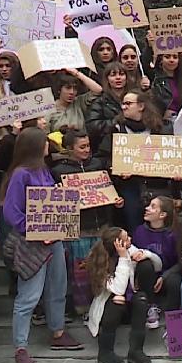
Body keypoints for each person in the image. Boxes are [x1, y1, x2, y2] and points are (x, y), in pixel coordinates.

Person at [1, 127, 84, 363]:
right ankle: (21, 347)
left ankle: (58, 333)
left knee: (57, 287)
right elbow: (11, 211)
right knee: (29, 296)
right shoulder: (21, 174)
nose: (49, 146)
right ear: (36, 146)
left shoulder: (43, 170)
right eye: (45, 142)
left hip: (54, 240)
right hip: (32, 243)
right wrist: (35, 231)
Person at [51, 129, 125, 318]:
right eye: (82, 147)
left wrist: (117, 201)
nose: (87, 150)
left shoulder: (98, 164)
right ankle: (83, 310)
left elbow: (109, 190)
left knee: (105, 269)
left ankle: (105, 307)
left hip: (102, 227)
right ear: (69, 148)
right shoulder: (58, 171)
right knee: (81, 273)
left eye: (88, 146)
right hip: (79, 230)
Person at [95, 90, 175, 232]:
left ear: (141, 106)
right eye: (123, 104)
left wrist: (175, 173)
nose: (124, 107)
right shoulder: (116, 130)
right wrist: (116, 169)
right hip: (130, 189)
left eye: (128, 103)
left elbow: (172, 157)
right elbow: (103, 159)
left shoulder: (160, 129)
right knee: (135, 229)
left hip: (157, 188)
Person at [85, 227, 158, 363]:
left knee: (141, 299)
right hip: (109, 310)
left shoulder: (129, 249)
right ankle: (105, 352)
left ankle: (136, 351)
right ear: (118, 245)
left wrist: (144, 253)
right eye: (126, 239)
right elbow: (119, 288)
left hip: (129, 306)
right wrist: (124, 258)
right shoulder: (102, 263)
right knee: (118, 299)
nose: (130, 239)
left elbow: (158, 263)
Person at [132, 196, 178, 328]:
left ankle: (173, 318)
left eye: (153, 206)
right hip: (147, 277)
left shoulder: (174, 234)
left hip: (168, 275)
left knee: (174, 280)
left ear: (162, 214)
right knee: (145, 265)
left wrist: (165, 276)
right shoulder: (140, 231)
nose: (147, 208)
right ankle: (151, 308)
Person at [85, 63, 132, 146]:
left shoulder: (136, 99)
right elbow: (93, 127)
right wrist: (116, 121)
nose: (118, 77)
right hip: (108, 146)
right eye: (113, 75)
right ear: (107, 79)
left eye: (121, 74)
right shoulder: (99, 102)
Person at [46, 71, 103, 135]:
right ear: (59, 90)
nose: (72, 92)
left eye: (75, 89)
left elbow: (98, 90)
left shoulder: (79, 102)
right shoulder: (50, 108)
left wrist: (76, 73)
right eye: (68, 88)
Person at [149, 52, 182, 118]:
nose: (171, 60)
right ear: (161, 60)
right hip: (164, 123)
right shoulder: (155, 81)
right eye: (167, 57)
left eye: (175, 57)